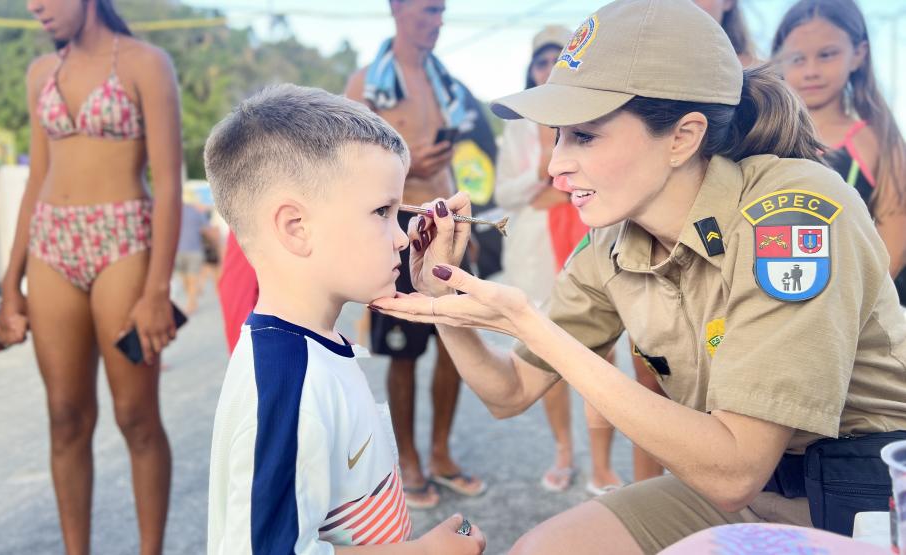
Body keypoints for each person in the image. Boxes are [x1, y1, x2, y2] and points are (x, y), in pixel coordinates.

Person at [369, 0, 906, 553]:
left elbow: (735, 465)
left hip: (866, 488)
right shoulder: (612, 243)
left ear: (682, 136)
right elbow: (509, 394)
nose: (555, 167)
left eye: (584, 136)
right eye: (556, 137)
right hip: (739, 488)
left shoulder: (790, 214)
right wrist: (444, 297)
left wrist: (534, 326)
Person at [204, 84, 485, 555]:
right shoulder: (288, 386)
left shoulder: (312, 344)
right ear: (296, 228)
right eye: (382, 212)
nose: (401, 238)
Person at [0, 1, 181, 553]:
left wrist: (157, 290)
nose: (35, 7)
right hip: (52, 241)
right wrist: (11, 283)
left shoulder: (147, 64)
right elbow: (35, 180)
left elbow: (169, 183)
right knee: (64, 416)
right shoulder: (40, 74)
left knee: (136, 416)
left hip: (124, 239)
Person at [343, 0, 484, 508]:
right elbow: (347, 163)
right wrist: (406, 162)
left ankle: (442, 453)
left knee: (455, 341)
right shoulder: (365, 83)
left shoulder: (444, 81)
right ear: (398, 9)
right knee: (402, 350)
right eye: (428, 10)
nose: (438, 21)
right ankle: (409, 459)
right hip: (400, 223)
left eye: (442, 11)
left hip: (446, 220)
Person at [496, 25, 622, 494]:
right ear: (531, 70)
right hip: (537, 250)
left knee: (601, 353)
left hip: (588, 237)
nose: (548, 68)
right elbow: (503, 193)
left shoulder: (599, 118)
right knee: (547, 351)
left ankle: (603, 465)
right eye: (540, 60)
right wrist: (539, 170)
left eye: (560, 58)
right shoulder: (516, 127)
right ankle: (563, 453)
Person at [772, 0, 906, 304]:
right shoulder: (765, 139)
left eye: (827, 55)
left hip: (860, 308)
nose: (811, 71)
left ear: (858, 54)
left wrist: (851, 307)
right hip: (779, 303)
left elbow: (893, 243)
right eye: (796, 59)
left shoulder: (879, 139)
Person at [175, 199, 211, 314]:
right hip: (178, 251)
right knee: (185, 279)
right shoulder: (173, 212)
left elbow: (206, 229)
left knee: (191, 278)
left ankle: (191, 303)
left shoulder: (195, 211)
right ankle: (193, 298)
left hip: (194, 250)